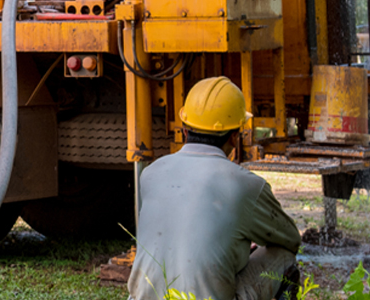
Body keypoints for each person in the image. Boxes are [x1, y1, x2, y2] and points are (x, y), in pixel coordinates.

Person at [127, 77, 302, 300]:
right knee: (284, 257)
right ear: (234, 136)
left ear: (184, 128)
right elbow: (290, 240)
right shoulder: (246, 184)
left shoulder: (151, 172)